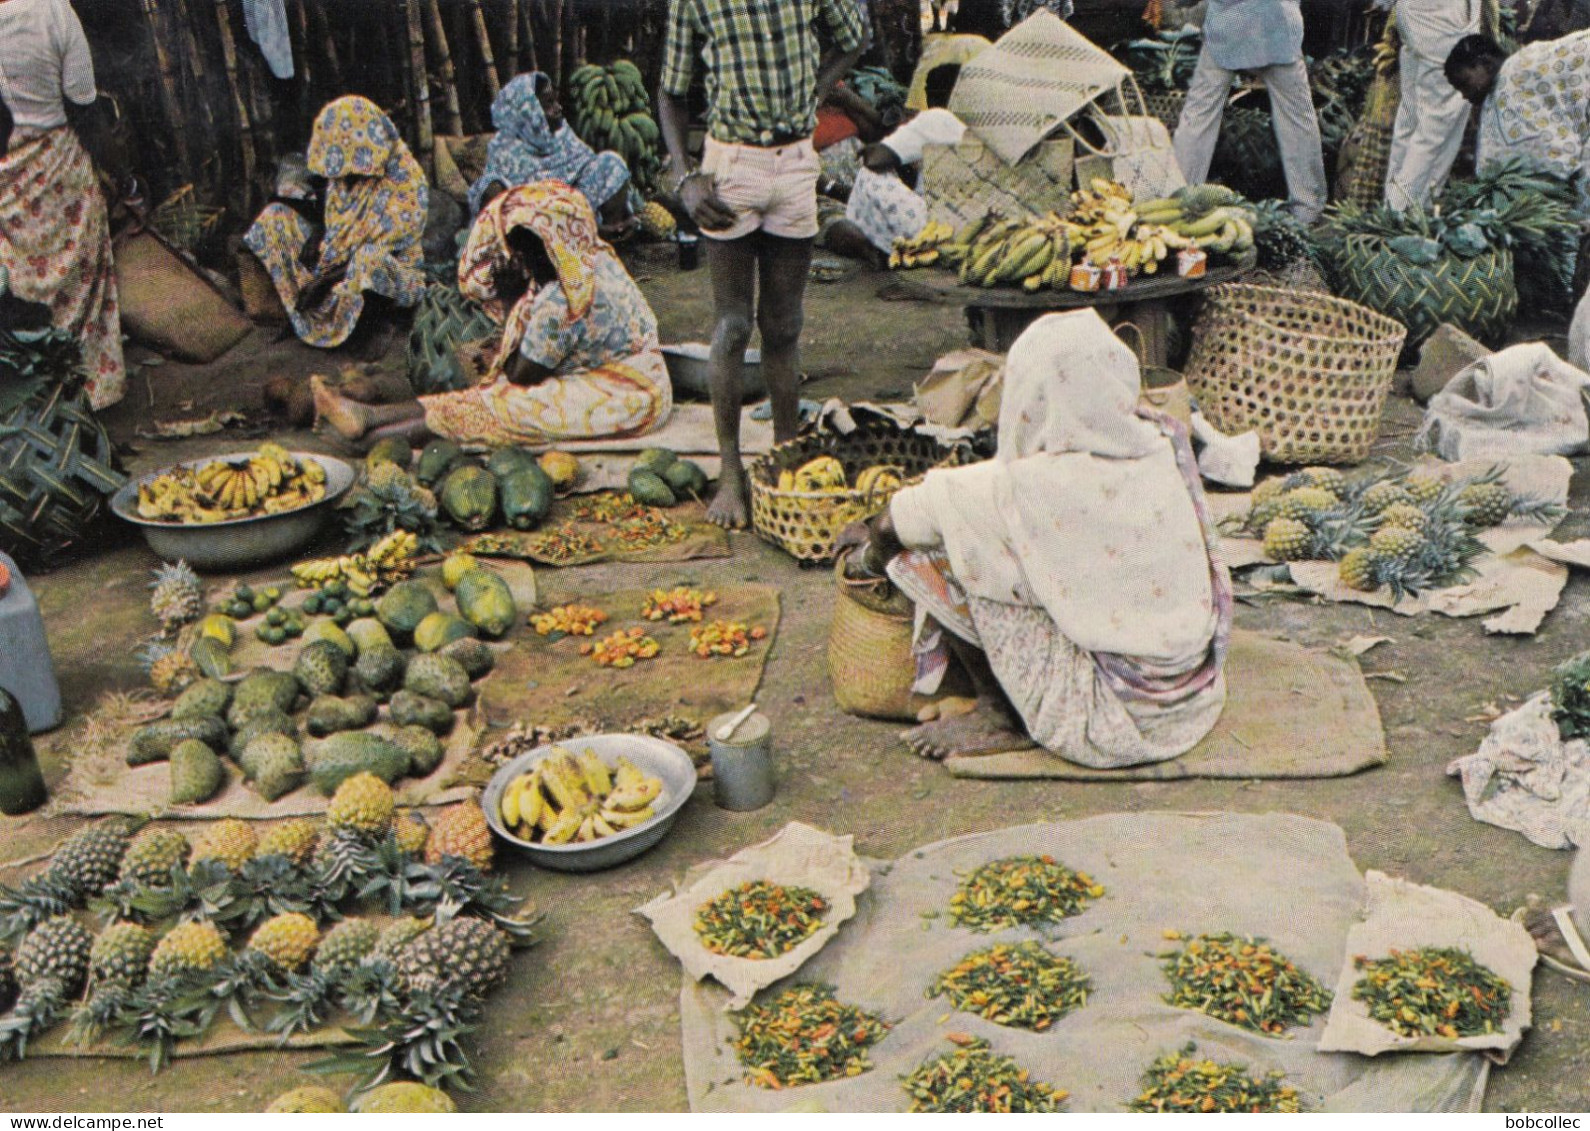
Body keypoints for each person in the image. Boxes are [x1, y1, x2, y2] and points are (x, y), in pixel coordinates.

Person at [837, 310, 1232, 766]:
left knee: (943, 541)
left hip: (1102, 720)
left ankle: (998, 715)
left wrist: (864, 558)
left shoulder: (1013, 487)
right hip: (1189, 701)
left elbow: (889, 528)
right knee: (994, 538)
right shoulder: (1163, 445)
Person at [657, 0, 869, 528]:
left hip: (796, 162)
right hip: (732, 166)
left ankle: (784, 459)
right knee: (732, 325)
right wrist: (685, 176)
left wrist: (817, 91)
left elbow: (855, 36)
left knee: (783, 323)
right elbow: (670, 90)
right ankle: (732, 475)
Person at [313, 181, 670, 448]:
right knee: (488, 381)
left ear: (549, 249)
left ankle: (372, 436)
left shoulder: (561, 303)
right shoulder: (597, 255)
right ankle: (369, 417)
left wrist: (514, 298)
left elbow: (521, 376)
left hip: (630, 399)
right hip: (643, 372)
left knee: (502, 402)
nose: (521, 263)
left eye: (526, 255)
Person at [0, 0, 128, 409]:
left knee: (17, 291)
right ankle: (88, 397)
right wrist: (122, 176)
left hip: (5, 183)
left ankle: (32, 402)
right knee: (81, 292)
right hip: (60, 174)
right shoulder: (53, 9)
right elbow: (83, 104)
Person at [243, 95, 428, 353]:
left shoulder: (406, 180)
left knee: (368, 258)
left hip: (390, 274)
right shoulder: (342, 178)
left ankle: (375, 324)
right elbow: (335, 223)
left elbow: (387, 250)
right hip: (334, 267)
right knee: (274, 218)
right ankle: (305, 314)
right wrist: (318, 233)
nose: (343, 176)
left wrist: (324, 282)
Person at [1171, 0, 1328, 223]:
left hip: (1229, 26)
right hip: (1277, 24)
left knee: (1198, 115)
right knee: (1297, 118)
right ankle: (1308, 206)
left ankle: (1180, 198)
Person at [468, 72, 636, 239]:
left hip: (575, 208)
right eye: (549, 103)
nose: (558, 108)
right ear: (529, 111)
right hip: (539, 223)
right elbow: (510, 201)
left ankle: (606, 228)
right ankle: (589, 235)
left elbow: (588, 166)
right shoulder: (506, 148)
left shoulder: (561, 134)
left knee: (611, 163)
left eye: (556, 101)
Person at [828, 63, 966, 260]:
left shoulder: (936, 118)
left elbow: (876, 160)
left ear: (928, 94)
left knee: (870, 173)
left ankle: (885, 247)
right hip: (979, 222)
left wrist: (875, 151)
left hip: (935, 225)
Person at [1447, 30, 1590, 211]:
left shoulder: (1511, 81)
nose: (1464, 95)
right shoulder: (1516, 69)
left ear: (1486, 64)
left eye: (1464, 83)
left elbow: (1546, 151)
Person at [1382, 0, 1482, 211]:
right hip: (1441, 17)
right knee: (1437, 120)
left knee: (1412, 114)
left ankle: (1397, 204)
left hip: (1415, 13)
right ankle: (1398, 211)